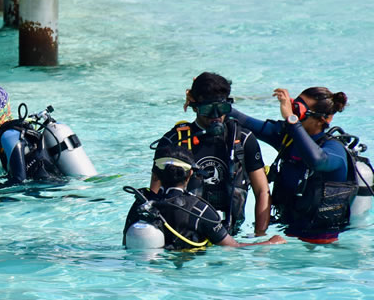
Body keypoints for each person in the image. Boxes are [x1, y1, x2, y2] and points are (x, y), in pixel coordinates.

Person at [229, 87, 355, 243]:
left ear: (324, 119)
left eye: (299, 111)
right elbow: (243, 121)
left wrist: (291, 119)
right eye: (294, 106)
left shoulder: (334, 150)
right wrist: (210, 96)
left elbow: (317, 160)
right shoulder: (287, 138)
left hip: (322, 240)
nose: (293, 112)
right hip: (287, 230)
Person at [151, 72, 271, 237]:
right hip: (186, 233)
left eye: (221, 109)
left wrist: (260, 235)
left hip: (231, 234)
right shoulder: (174, 141)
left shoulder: (243, 139)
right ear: (195, 106)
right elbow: (154, 195)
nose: (216, 117)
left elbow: (262, 191)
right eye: (208, 110)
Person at [123, 143, 286, 249]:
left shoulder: (142, 204)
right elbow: (233, 247)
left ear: (156, 174)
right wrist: (270, 242)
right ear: (190, 175)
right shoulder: (199, 209)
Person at [0, 86, 64, 184]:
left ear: (0, 108)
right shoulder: (3, 133)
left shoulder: (8, 135)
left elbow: (19, 181)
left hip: (49, 191)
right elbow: (2, 173)